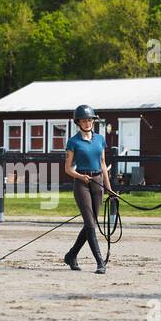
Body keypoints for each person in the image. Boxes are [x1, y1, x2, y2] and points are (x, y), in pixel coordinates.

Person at [62, 104, 111, 273]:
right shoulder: (73, 142)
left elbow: (103, 164)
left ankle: (71, 255)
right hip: (81, 183)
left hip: (97, 181)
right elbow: (68, 169)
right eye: (84, 120)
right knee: (90, 225)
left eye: (90, 119)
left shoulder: (100, 139)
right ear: (78, 122)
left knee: (91, 223)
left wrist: (109, 188)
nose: (87, 122)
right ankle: (100, 262)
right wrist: (80, 176)